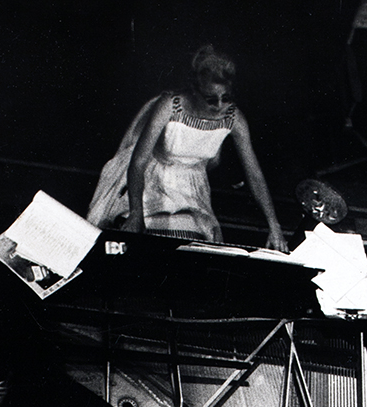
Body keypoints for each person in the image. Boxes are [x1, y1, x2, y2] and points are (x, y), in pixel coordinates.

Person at [87, 44, 287, 252]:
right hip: (149, 178)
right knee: (141, 240)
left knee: (191, 244)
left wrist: (274, 226)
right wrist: (136, 212)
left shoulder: (234, 118)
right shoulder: (171, 106)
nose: (219, 106)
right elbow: (138, 162)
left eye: (225, 98)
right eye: (211, 100)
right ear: (195, 92)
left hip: (190, 185)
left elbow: (254, 174)